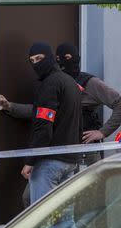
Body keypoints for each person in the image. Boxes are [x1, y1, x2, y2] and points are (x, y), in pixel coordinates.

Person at [0, 42, 121, 207]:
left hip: (83, 152)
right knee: (49, 206)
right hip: (66, 155)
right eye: (60, 58)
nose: (64, 62)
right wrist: (11, 107)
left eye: (68, 58)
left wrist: (102, 132)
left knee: (83, 205)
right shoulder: (59, 82)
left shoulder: (88, 82)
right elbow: (41, 112)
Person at [22, 42, 81, 204]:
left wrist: (30, 161)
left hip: (49, 162)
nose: (36, 63)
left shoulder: (49, 84)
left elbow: (44, 127)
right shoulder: (71, 83)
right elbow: (77, 121)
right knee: (66, 220)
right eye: (32, 60)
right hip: (70, 161)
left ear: (49, 57)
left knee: (42, 222)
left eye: (39, 58)